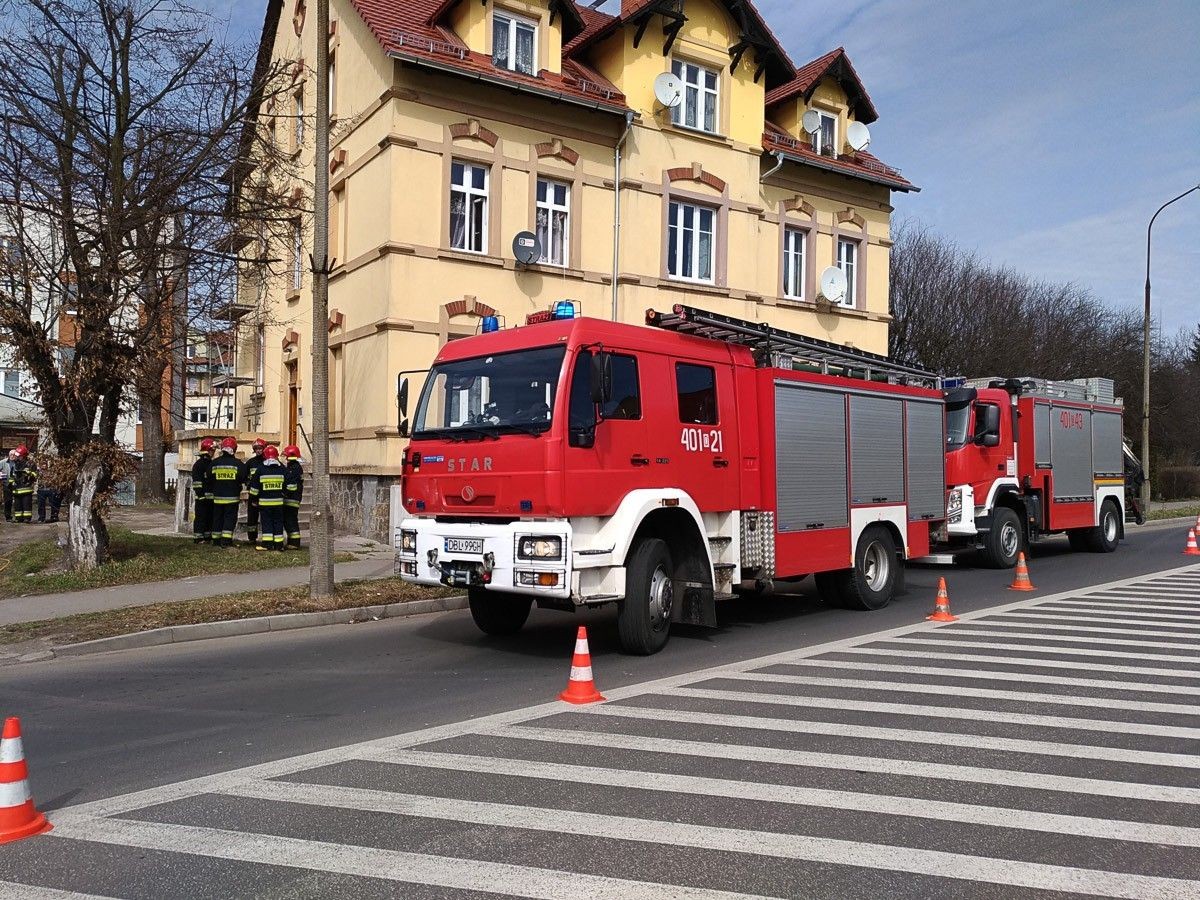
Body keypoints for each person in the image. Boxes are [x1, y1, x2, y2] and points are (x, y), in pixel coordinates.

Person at [205, 437, 244, 547]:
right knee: (229, 519)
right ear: (234, 449)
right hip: (232, 498)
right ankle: (226, 541)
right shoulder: (238, 464)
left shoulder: (214, 463)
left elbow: (209, 478)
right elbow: (243, 477)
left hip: (217, 498)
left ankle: (216, 540)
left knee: (217, 518)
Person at [248, 444, 286, 551]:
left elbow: (254, 488)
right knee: (278, 522)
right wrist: (284, 494)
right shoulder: (281, 468)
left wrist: (254, 500)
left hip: (265, 503)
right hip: (278, 503)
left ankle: (267, 544)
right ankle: (279, 545)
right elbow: (289, 484)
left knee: (267, 522)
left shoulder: (260, 469)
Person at [243, 437, 267, 545]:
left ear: (264, 448)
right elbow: (244, 475)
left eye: (260, 448)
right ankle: (252, 538)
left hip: (266, 494)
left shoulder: (268, 462)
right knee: (252, 517)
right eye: (256, 448)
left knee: (265, 516)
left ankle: (267, 537)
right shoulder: (250, 463)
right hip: (253, 494)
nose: (258, 450)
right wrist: (247, 483)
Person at [191, 437, 215, 544]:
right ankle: (198, 537)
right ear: (206, 450)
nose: (213, 452)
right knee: (201, 517)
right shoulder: (199, 465)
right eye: (211, 450)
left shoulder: (212, 464)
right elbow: (197, 483)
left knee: (210, 518)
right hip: (201, 498)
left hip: (211, 498)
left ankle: (207, 537)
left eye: (213, 451)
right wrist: (201, 496)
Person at [282, 444, 303, 548]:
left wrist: (284, 493)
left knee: (291, 520)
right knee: (290, 520)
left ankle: (294, 543)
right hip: (294, 498)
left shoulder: (293, 469)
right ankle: (292, 541)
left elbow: (291, 485)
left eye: (286, 456)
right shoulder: (295, 467)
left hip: (291, 499)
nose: (285, 458)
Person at [11, 446, 37, 523]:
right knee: (17, 505)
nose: (16, 457)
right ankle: (18, 518)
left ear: (23, 456)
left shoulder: (30, 464)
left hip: (26, 488)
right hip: (16, 489)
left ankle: (27, 518)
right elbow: (12, 475)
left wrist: (29, 473)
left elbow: (35, 475)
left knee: (26, 505)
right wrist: (11, 483)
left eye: (18, 456)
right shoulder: (14, 464)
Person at [0, 449, 14, 522]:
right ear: (9, 455)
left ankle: (19, 517)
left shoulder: (17, 462)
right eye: (11, 454)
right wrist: (2, 476)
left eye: (14, 455)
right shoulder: (3, 462)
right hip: (7, 484)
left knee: (17, 501)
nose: (12, 456)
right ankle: (8, 516)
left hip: (16, 485)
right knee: (8, 501)